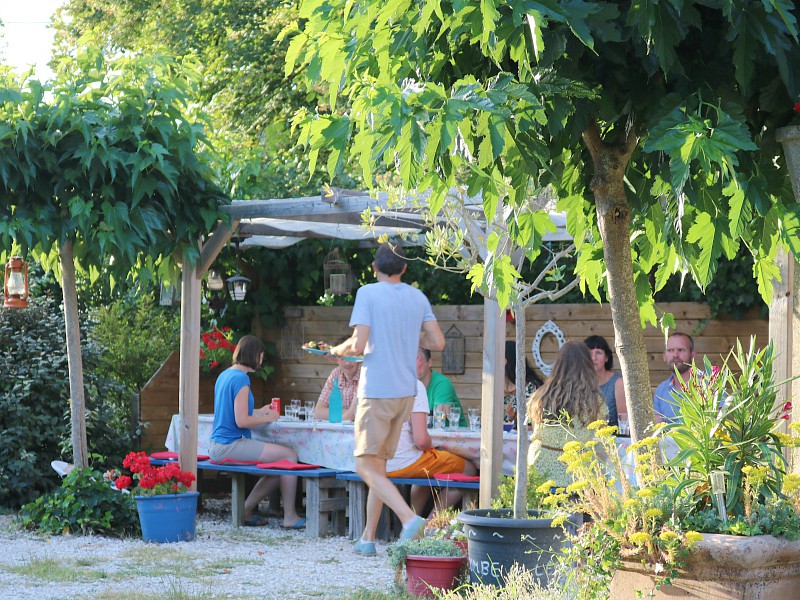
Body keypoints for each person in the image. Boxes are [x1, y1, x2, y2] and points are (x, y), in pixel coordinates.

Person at [330, 243, 445, 552]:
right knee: (378, 467)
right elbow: (438, 341)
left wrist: (334, 350)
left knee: (364, 467)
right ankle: (367, 539)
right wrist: (407, 334)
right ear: (405, 268)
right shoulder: (417, 297)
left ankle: (409, 519)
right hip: (406, 393)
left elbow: (357, 345)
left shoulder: (367, 293)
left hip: (377, 390)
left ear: (374, 267)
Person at [355, 380, 477, 555]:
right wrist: (434, 446)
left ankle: (368, 538)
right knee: (468, 468)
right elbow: (421, 441)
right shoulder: (413, 385)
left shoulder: (370, 381)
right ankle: (429, 527)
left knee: (378, 474)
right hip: (406, 460)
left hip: (375, 460)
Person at [208, 335, 305, 529]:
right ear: (255, 355)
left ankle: (245, 510)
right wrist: (267, 418)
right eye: (261, 355)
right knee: (289, 456)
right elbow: (242, 420)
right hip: (230, 445)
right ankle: (290, 517)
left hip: (217, 445)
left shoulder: (225, 375)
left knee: (280, 466)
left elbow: (236, 411)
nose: (262, 360)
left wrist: (261, 411)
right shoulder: (242, 379)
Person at [527, 340, 606, 487]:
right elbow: (601, 433)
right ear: (587, 364)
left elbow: (534, 425)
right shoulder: (594, 399)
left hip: (540, 464)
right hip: (576, 470)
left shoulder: (540, 395)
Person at [314, 336, 361, 421]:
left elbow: (352, 416)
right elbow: (318, 412)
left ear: (358, 357)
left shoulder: (364, 376)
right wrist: (348, 413)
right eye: (343, 358)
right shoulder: (335, 374)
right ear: (337, 358)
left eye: (351, 358)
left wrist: (333, 414)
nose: (347, 363)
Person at [416, 347, 467, 427]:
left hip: (453, 438)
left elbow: (439, 420)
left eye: (419, 360)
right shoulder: (408, 385)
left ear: (430, 362)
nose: (416, 364)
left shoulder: (442, 384)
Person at [653, 332, 696, 423]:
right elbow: (657, 428)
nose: (675, 355)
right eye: (670, 350)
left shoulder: (708, 384)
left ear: (692, 355)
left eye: (681, 350)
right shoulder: (661, 390)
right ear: (664, 355)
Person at [584, 335, 626, 428]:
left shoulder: (618, 383)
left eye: (598, 353)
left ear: (606, 358)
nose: (594, 358)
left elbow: (624, 423)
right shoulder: (580, 383)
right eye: (589, 353)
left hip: (613, 439)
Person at [503, 340, 543, 425]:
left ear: (504, 361)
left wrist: (515, 419)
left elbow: (534, 423)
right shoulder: (496, 388)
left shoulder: (530, 388)